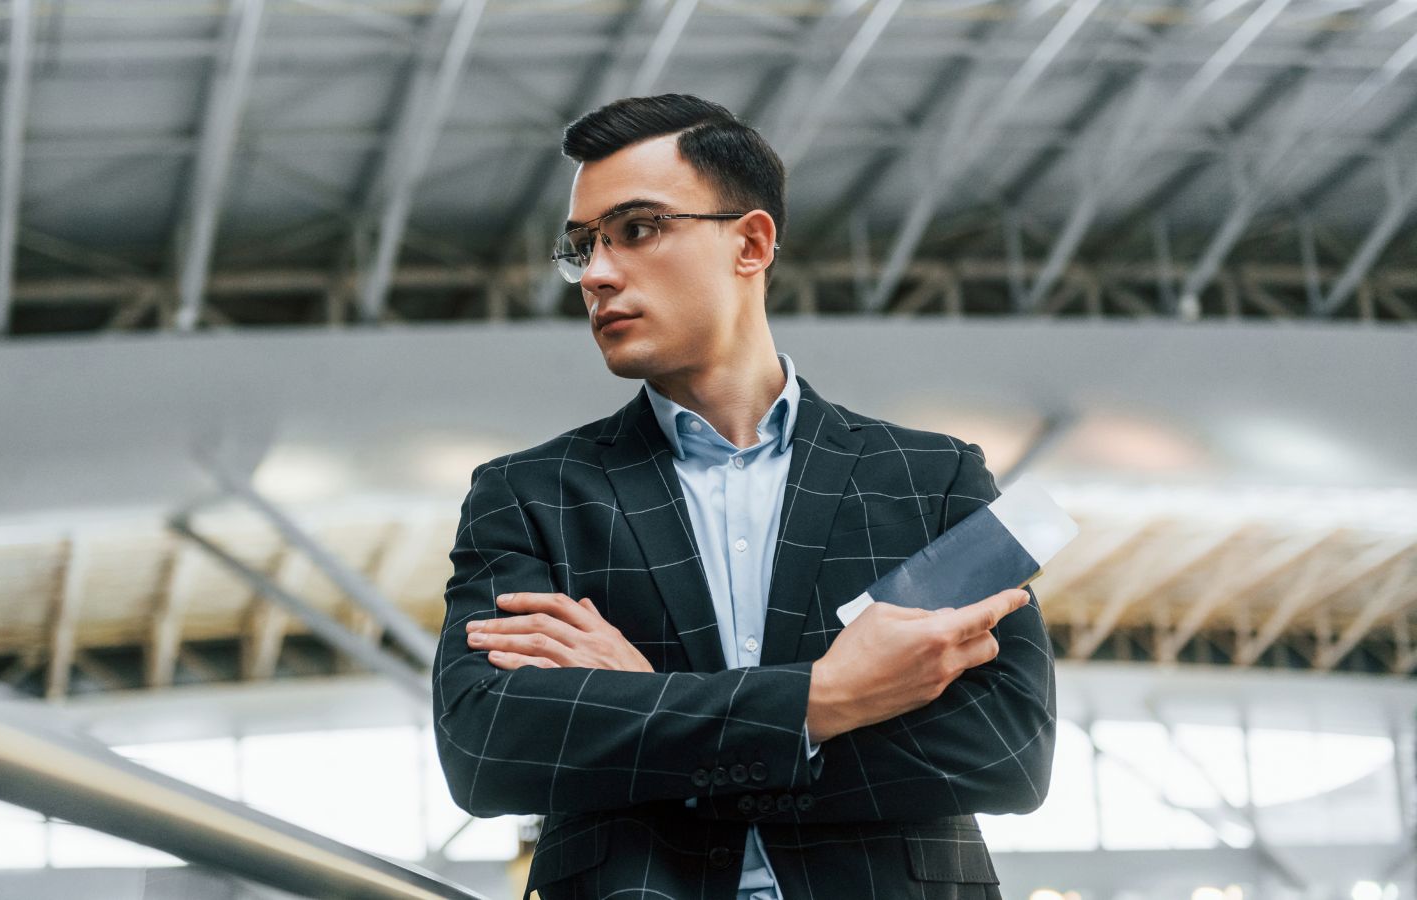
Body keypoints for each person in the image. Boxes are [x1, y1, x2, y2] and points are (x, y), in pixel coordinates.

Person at [432, 93, 1055, 900]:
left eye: (638, 229)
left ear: (751, 243)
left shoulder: (932, 479)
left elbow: (1006, 749)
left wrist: (643, 703)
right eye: (583, 245)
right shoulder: (530, 496)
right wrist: (825, 698)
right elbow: (491, 747)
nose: (597, 274)